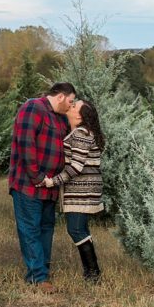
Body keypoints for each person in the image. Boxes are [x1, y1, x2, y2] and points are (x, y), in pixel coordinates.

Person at [8, 82, 76, 292]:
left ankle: (41, 270)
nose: (71, 106)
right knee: (30, 230)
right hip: (29, 184)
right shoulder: (33, 108)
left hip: (50, 186)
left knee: (46, 229)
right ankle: (38, 277)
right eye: (71, 101)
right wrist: (37, 176)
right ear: (61, 97)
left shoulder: (59, 117)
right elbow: (26, 143)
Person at [43, 98, 105, 282]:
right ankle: (92, 272)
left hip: (81, 191)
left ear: (79, 115)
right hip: (85, 189)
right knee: (81, 229)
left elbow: (76, 167)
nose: (71, 105)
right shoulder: (84, 132)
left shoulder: (80, 134)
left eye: (75, 105)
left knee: (76, 229)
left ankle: (93, 274)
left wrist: (52, 182)